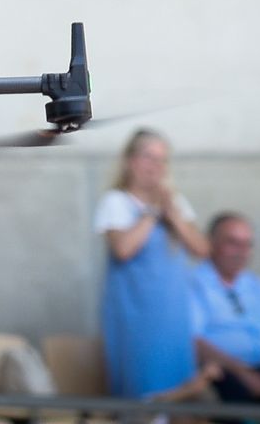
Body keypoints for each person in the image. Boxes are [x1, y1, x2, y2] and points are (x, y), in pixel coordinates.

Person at [96, 129, 208, 398]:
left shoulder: (175, 202)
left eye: (162, 160)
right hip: (136, 319)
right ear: (130, 161)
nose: (155, 166)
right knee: (144, 394)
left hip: (173, 316)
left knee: (181, 397)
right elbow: (123, 249)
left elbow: (202, 250)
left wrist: (175, 217)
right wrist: (151, 212)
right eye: (148, 157)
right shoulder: (115, 202)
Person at [192, 212, 260, 405]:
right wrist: (243, 373)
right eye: (233, 243)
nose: (242, 251)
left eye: (248, 244)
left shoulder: (259, 286)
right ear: (210, 243)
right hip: (223, 374)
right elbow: (193, 342)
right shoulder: (193, 283)